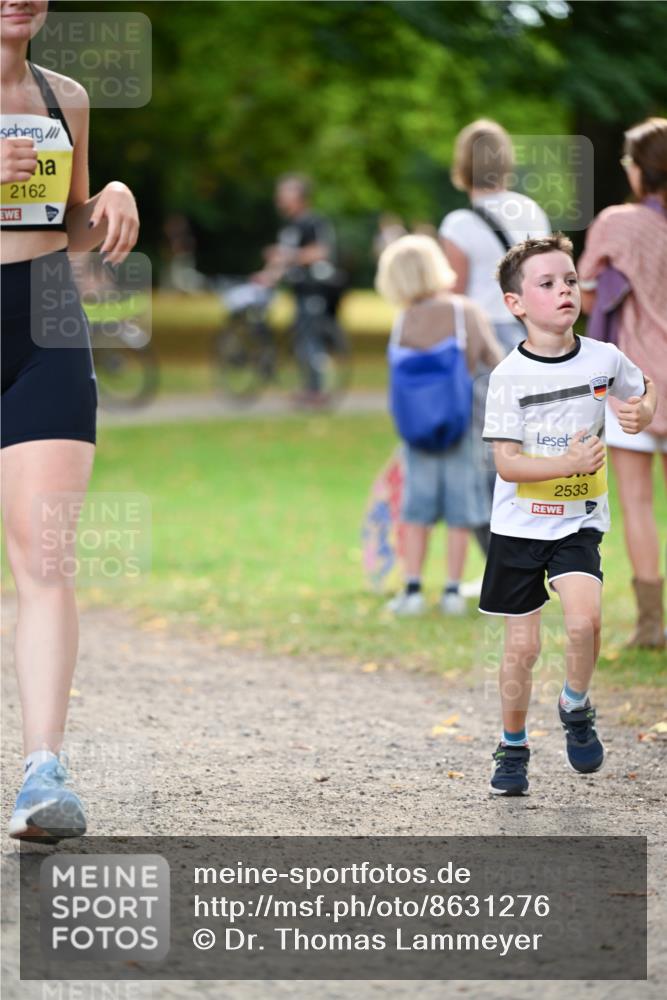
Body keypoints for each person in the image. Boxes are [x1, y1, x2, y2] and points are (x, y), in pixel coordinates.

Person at [1, 0, 139, 840]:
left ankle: (42, 773)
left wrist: (112, 196)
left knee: (46, 553)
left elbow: (71, 224)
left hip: (47, 319)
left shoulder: (66, 97)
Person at [480, 234, 656, 796]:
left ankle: (575, 706)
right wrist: (567, 460)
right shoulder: (509, 377)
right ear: (516, 304)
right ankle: (512, 747)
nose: (564, 291)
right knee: (523, 649)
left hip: (577, 521)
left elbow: (644, 385)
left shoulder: (604, 358)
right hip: (518, 528)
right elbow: (506, 465)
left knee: (585, 623)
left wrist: (640, 410)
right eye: (547, 283)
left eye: (570, 280)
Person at [439, 119, 552, 559]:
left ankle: (502, 562)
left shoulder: (458, 223)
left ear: (463, 166)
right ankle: (539, 546)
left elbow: (455, 296)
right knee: (533, 447)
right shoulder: (531, 212)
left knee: (488, 455)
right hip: (530, 339)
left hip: (482, 343)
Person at [375, 235, 504, 616]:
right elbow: (495, 363)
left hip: (417, 432)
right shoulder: (464, 312)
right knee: (461, 513)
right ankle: (451, 591)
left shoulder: (403, 322)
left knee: (417, 512)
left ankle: (412, 589)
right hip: (462, 426)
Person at [578, 117, 667, 648]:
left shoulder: (618, 222)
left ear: (640, 170)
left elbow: (586, 288)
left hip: (635, 378)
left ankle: (651, 625)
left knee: (636, 502)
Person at [256, 173, 343, 405]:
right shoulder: (290, 227)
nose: (280, 198)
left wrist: (289, 256)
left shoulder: (314, 222)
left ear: (301, 197)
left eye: (286, 192)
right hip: (299, 289)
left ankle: (317, 390)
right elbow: (282, 260)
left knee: (311, 339)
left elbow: (321, 252)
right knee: (300, 338)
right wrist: (267, 276)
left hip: (316, 288)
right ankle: (309, 388)